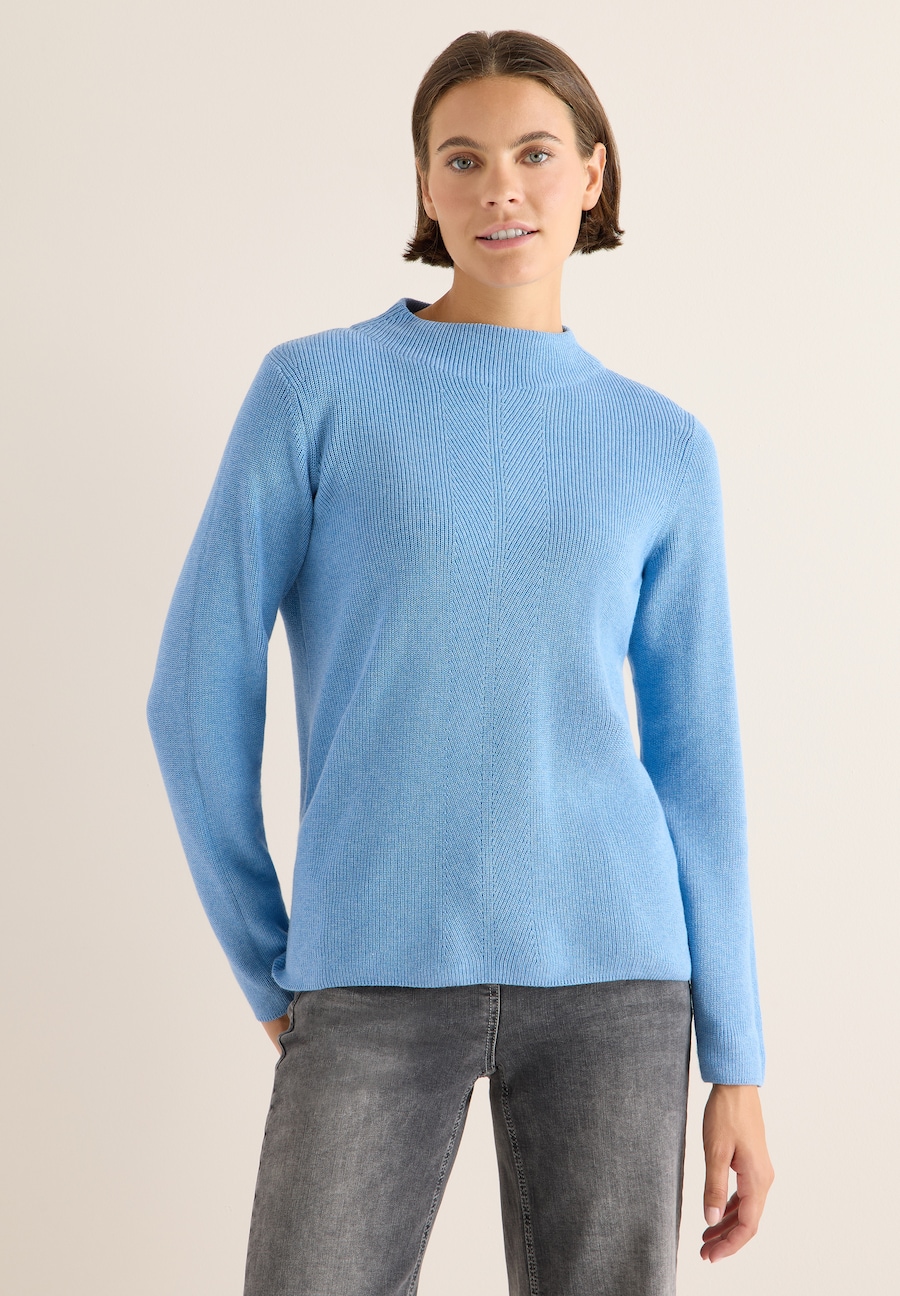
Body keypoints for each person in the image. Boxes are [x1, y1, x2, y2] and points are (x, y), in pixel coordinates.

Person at [146, 27, 775, 1296]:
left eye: (536, 154)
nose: (502, 188)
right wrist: (271, 958)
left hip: (617, 983)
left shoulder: (661, 445)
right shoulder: (316, 390)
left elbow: (698, 765)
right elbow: (192, 695)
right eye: (464, 159)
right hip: (368, 977)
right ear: (425, 188)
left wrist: (739, 1062)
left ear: (591, 174)